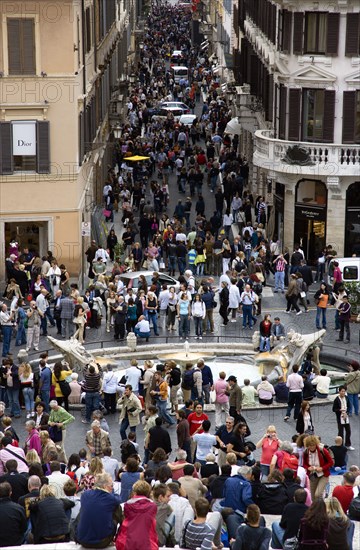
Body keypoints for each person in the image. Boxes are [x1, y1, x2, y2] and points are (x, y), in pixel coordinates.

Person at [115, 480, 158, 550]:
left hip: (128, 542)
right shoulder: (153, 507)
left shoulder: (127, 506)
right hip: (148, 544)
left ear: (134, 492)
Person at [303, 435, 333, 500]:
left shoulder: (322, 450)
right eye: (309, 446)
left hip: (323, 474)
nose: (311, 447)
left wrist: (322, 468)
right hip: (313, 475)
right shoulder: (306, 452)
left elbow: (331, 462)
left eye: (313, 445)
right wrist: (308, 468)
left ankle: (321, 507)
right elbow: (304, 463)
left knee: (318, 494)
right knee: (313, 497)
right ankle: (316, 509)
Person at [0, 481, 27, 547]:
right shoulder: (19, 508)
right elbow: (24, 528)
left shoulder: (18, 508)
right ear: (10, 493)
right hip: (15, 542)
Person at [332, 386, 354, 450]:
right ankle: (340, 445)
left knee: (348, 431)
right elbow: (333, 409)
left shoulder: (346, 398)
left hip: (346, 416)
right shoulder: (336, 399)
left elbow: (349, 406)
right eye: (342, 391)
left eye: (344, 391)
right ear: (339, 392)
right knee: (341, 432)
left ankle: (348, 444)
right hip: (340, 417)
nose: (343, 392)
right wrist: (339, 410)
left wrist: (347, 413)